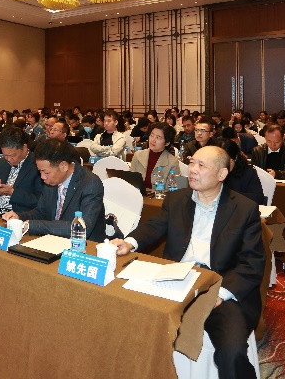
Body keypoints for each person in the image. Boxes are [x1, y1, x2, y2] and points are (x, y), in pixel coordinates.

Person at [111, 146, 264, 379]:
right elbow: (155, 225)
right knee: (125, 317)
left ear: (222, 174)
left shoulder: (244, 209)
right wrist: (129, 242)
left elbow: (252, 263)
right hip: (175, 279)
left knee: (231, 352)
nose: (192, 170)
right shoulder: (177, 199)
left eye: (201, 166)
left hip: (219, 286)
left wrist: (220, 294)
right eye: (192, 163)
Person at [2, 138, 105, 241]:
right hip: (52, 240)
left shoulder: (90, 183)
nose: (42, 177)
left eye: (46, 172)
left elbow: (82, 228)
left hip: (82, 245)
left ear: (63, 166)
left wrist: (32, 225)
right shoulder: (51, 180)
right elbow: (41, 213)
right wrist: (19, 217)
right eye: (40, 171)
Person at [0, 126, 44, 215]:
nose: (8, 159)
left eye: (12, 155)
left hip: (20, 215)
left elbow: (40, 202)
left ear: (24, 148)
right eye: (5, 155)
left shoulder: (38, 166)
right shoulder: (1, 163)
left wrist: (12, 192)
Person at [209, 137, 265, 206]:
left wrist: (227, 195)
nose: (222, 166)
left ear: (235, 158)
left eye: (228, 162)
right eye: (217, 162)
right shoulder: (205, 171)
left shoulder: (247, 172)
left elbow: (258, 198)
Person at [130, 123, 181, 190]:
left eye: (158, 137)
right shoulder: (137, 155)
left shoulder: (173, 162)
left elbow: (172, 190)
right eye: (152, 135)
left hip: (160, 196)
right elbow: (130, 182)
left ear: (167, 143)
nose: (153, 140)